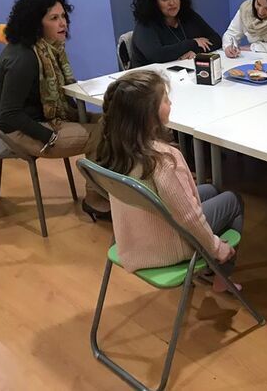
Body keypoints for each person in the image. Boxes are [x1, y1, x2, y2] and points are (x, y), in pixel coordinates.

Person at [96, 70, 244, 291]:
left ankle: (211, 267)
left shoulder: (116, 147)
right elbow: (189, 217)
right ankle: (221, 271)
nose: (171, 103)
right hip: (167, 247)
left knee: (211, 190)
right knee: (234, 200)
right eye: (165, 99)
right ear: (149, 114)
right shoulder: (162, 159)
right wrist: (215, 247)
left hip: (133, 240)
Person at [0, 0, 110, 219]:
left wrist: (74, 112)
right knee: (103, 133)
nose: (63, 23)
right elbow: (8, 114)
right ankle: (95, 199)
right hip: (22, 131)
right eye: (54, 18)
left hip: (46, 118)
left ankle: (114, 189)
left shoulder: (47, 50)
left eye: (63, 16)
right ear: (36, 23)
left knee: (116, 121)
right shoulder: (24, 58)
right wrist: (48, 136)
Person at [131, 0, 221, 67]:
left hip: (182, 71)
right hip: (148, 74)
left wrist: (195, 51)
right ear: (154, 2)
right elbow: (157, 55)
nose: (172, 3)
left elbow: (216, 39)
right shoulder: (145, 24)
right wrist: (193, 43)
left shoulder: (188, 15)